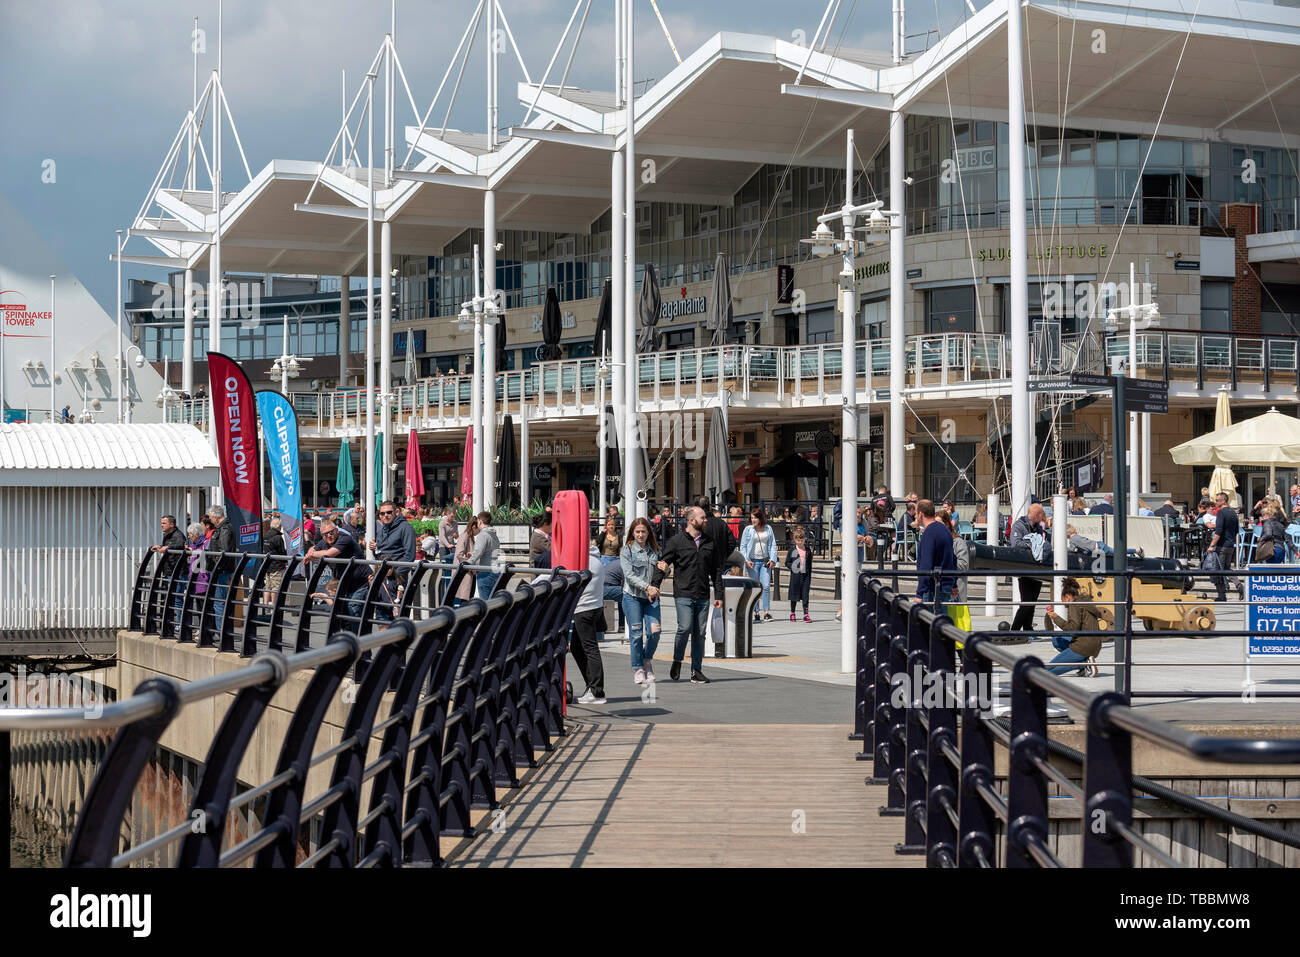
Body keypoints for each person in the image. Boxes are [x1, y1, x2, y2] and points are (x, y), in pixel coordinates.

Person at [650, 506, 719, 684]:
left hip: (703, 593)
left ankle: (696, 670)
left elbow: (716, 570)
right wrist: (654, 586)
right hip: (683, 592)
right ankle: (677, 660)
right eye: (703, 518)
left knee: (700, 633)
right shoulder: (676, 542)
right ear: (691, 520)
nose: (706, 521)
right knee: (685, 628)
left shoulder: (710, 542)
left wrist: (719, 594)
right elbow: (662, 564)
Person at [620, 517, 662, 685]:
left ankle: (646, 660)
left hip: (651, 598)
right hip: (632, 597)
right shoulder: (627, 550)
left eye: (643, 531)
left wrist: (664, 569)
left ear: (648, 533)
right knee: (636, 633)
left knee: (655, 631)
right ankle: (638, 668)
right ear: (632, 533)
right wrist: (647, 587)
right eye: (637, 532)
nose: (640, 535)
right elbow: (629, 576)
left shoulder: (654, 551)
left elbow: (658, 573)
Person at [569, 534, 609, 705]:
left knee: (590, 648)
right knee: (578, 647)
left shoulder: (583, 562)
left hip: (584, 609)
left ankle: (596, 691)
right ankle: (591, 686)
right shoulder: (595, 558)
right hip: (592, 607)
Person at [1043, 578, 1102, 677]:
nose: (1064, 604)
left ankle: (1083, 664)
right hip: (1094, 644)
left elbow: (1073, 629)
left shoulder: (1074, 605)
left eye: (1063, 600)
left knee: (1047, 670)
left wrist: (1056, 618)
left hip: (1083, 646)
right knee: (1057, 640)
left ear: (1067, 596)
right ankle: (1085, 663)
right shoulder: (1084, 602)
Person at [1007, 503, 1048, 631]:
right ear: (1036, 514)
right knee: (1026, 602)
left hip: (1036, 568)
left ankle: (1028, 628)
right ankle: (1015, 630)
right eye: (1041, 514)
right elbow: (1016, 544)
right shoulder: (1019, 526)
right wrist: (1033, 543)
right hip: (1024, 568)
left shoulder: (1038, 528)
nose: (1043, 517)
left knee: (1032, 602)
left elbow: (1042, 541)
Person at [914, 499, 957, 615]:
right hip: (945, 584)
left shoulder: (929, 533)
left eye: (916, 514)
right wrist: (954, 583)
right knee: (942, 623)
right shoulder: (945, 530)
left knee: (930, 625)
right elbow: (952, 558)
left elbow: (926, 563)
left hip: (933, 587)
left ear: (921, 514)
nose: (915, 517)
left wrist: (919, 593)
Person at [740, 506, 776, 623]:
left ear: (760, 518)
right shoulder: (748, 529)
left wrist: (772, 559)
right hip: (752, 562)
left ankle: (766, 612)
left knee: (765, 586)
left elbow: (773, 545)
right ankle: (756, 612)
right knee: (755, 588)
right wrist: (746, 560)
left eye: (755, 517)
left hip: (765, 561)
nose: (753, 520)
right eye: (751, 518)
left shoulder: (768, 528)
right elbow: (743, 546)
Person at [205, 505, 237, 628]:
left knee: (219, 601)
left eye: (210, 517)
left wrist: (216, 565)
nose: (210, 520)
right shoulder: (222, 528)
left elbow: (224, 550)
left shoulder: (224, 529)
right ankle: (220, 630)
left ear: (215, 517)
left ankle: (220, 631)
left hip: (221, 570)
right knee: (218, 601)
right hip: (219, 568)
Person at [1207, 491, 1240, 602]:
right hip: (1230, 545)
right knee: (1226, 568)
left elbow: (1218, 531)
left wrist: (1212, 545)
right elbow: (1236, 530)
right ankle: (1239, 585)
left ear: (1223, 501)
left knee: (1217, 570)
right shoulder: (1233, 512)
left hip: (1221, 545)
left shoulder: (1221, 512)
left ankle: (1222, 595)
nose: (1215, 502)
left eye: (1217, 500)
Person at [368, 499, 416, 569]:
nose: (385, 515)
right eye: (382, 513)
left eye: (389, 512)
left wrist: (397, 573)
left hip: (397, 575)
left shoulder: (405, 527)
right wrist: (375, 549)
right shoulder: (383, 528)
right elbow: (381, 552)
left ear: (396, 512)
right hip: (382, 572)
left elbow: (409, 556)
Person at [470, 510, 501, 598]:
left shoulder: (482, 535)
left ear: (480, 521)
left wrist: (468, 563)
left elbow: (478, 552)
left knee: (485, 602)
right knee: (494, 602)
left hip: (485, 572)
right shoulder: (494, 534)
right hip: (495, 570)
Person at [785, 526, 813, 622]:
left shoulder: (808, 551)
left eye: (801, 540)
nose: (800, 542)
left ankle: (806, 614)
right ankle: (792, 613)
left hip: (805, 576)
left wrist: (809, 576)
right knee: (794, 595)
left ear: (804, 539)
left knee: (805, 595)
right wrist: (793, 567)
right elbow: (787, 562)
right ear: (795, 540)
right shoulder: (792, 550)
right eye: (798, 540)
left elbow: (810, 564)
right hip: (795, 576)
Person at [451, 515, 479, 606]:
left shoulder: (468, 537)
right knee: (465, 599)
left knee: (467, 598)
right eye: (479, 529)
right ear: (474, 527)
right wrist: (470, 565)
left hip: (468, 572)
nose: (479, 531)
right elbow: (459, 554)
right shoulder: (465, 536)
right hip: (465, 572)